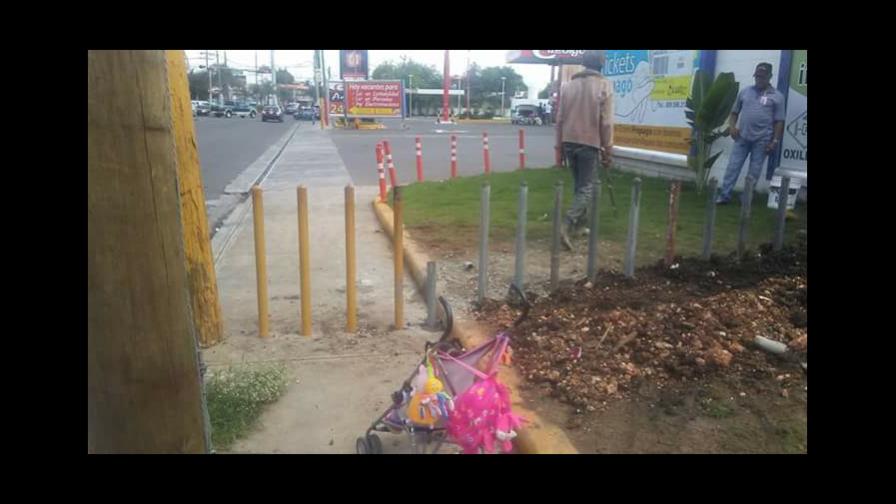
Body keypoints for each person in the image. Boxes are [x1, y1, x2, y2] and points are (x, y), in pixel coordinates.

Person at [555, 50, 614, 250]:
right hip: (589, 142)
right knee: (587, 188)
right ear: (601, 64)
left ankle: (580, 226)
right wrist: (608, 149)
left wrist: (558, 145)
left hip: (569, 142)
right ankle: (567, 224)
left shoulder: (567, 86)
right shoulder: (604, 85)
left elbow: (560, 119)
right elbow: (605, 122)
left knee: (580, 186)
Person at [716, 62, 786, 204]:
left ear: (770, 76)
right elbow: (734, 112)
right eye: (757, 76)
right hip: (742, 137)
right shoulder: (745, 92)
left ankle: (746, 198)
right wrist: (732, 127)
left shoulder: (777, 96)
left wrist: (775, 141)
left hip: (763, 140)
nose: (759, 79)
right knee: (732, 167)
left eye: (762, 77)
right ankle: (724, 196)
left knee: (754, 171)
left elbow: (779, 121)